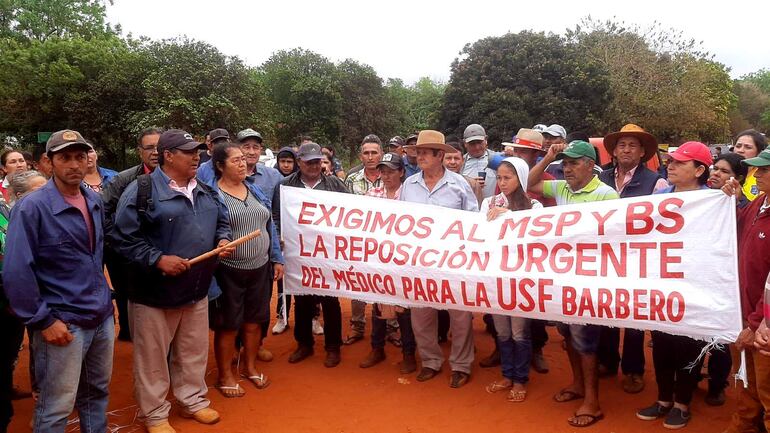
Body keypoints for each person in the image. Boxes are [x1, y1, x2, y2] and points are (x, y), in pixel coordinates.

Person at [110, 129, 232, 433]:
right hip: (153, 293)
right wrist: (157, 258)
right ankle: (155, 414)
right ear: (168, 155)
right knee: (152, 358)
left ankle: (192, 400)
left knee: (192, 351)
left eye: (197, 152)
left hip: (196, 288)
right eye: (188, 152)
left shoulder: (205, 188)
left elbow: (222, 219)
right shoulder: (141, 191)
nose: (197, 157)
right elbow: (123, 237)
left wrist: (223, 238)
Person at [3, 130, 114, 433]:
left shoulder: (92, 199)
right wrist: (42, 320)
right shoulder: (32, 207)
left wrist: (106, 300)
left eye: (80, 156)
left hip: (99, 316)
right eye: (65, 157)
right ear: (48, 163)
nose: (75, 164)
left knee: (96, 395)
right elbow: (16, 272)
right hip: (64, 323)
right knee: (56, 406)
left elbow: (95, 258)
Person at [528, 140, 619, 428]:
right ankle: (578, 384)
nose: (566, 168)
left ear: (590, 166)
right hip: (562, 278)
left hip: (588, 280)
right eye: (564, 163)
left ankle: (592, 401)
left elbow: (614, 238)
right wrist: (548, 156)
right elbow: (529, 182)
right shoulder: (562, 188)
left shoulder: (607, 195)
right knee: (567, 334)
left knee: (586, 341)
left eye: (573, 163)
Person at [634, 141, 712, 429]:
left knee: (689, 347)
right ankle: (664, 399)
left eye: (681, 162)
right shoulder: (660, 198)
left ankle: (682, 403)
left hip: (695, 287)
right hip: (661, 285)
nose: (672, 165)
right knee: (662, 345)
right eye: (672, 161)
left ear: (700, 170)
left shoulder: (713, 200)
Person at [400, 130, 478, 388]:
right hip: (419, 262)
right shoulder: (408, 186)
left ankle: (461, 365)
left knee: (460, 316)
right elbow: (398, 222)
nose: (420, 156)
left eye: (425, 153)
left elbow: (473, 222)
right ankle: (431, 361)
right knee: (420, 316)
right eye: (418, 152)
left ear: (440, 156)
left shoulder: (459, 185)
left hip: (454, 263)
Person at [208, 142, 284, 397]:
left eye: (243, 159)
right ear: (220, 166)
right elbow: (210, 232)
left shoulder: (255, 190)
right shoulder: (211, 196)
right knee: (228, 325)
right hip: (228, 271)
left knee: (254, 322)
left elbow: (269, 225)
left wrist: (276, 258)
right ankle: (225, 375)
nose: (242, 163)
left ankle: (250, 367)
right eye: (235, 160)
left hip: (259, 268)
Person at [596, 124, 667, 394]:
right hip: (604, 257)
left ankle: (634, 369)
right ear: (613, 151)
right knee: (605, 310)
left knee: (634, 316)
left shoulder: (656, 182)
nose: (626, 149)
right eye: (622, 145)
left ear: (642, 153)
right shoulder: (599, 179)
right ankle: (608, 361)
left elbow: (661, 221)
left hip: (638, 258)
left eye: (632, 145)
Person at [272, 142, 347, 367]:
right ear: (299, 162)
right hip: (299, 253)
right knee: (302, 300)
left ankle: (333, 347)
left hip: (329, 253)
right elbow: (276, 216)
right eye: (308, 162)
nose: (314, 166)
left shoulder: (334, 184)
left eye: (317, 161)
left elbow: (350, 214)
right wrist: (280, 240)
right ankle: (304, 344)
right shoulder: (285, 186)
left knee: (330, 301)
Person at [481, 156, 542, 403]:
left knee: (519, 332)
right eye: (499, 178)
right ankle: (507, 375)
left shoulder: (534, 207)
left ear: (521, 178)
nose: (503, 183)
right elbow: (482, 233)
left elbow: (536, 236)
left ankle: (520, 379)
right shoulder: (488, 202)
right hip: (496, 277)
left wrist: (509, 216)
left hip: (520, 280)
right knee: (502, 331)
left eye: (508, 178)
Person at [721, 146, 770, 433]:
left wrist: (756, 321)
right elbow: (737, 231)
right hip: (743, 312)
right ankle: (744, 425)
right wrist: (734, 202)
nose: (758, 173)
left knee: (766, 387)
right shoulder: (759, 203)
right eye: (757, 168)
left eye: (764, 169)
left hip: (763, 321)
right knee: (745, 380)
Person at [358, 152, 418, 373]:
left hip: (405, 259)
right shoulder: (372, 193)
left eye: (391, 171)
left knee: (404, 307)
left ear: (401, 172)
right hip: (378, 257)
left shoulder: (411, 194)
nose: (386, 175)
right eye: (383, 171)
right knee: (378, 303)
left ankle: (409, 353)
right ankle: (377, 348)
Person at [102, 127, 163, 342]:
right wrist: (119, 241)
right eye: (149, 148)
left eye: (159, 146)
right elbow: (104, 213)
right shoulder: (123, 179)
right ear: (140, 152)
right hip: (126, 252)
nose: (155, 152)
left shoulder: (178, 178)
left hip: (163, 250)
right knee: (127, 293)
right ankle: (129, 332)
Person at [507, 128, 555, 373]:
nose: (518, 154)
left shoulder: (544, 179)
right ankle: (502, 347)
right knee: (501, 302)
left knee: (533, 306)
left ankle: (536, 349)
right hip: (506, 255)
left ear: (536, 155)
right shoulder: (506, 176)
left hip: (534, 256)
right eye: (516, 149)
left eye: (524, 151)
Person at [344, 134, 384, 345]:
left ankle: (390, 326)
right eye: (366, 153)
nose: (370, 157)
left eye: (374, 153)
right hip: (358, 242)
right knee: (357, 282)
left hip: (386, 242)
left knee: (385, 282)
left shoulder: (391, 176)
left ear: (382, 154)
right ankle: (357, 326)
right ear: (361, 156)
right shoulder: (351, 180)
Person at [461, 124, 498, 198]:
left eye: (479, 142)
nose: (477, 147)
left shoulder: (496, 159)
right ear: (465, 143)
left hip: (493, 207)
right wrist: (470, 184)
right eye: (472, 144)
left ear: (486, 140)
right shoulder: (460, 163)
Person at [443, 141, 483, 206]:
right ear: (441, 159)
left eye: (456, 158)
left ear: (463, 161)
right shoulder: (433, 182)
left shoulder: (473, 185)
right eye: (448, 158)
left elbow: (478, 213)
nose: (452, 162)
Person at [733, 129, 768, 202]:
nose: (740, 150)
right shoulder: (724, 173)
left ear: (759, 153)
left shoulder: (763, 178)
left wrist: (740, 199)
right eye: (738, 146)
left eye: (748, 147)